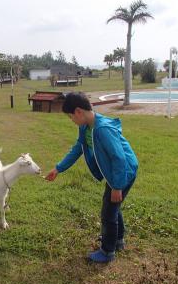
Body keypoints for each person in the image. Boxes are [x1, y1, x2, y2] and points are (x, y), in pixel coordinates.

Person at [45, 92, 138, 263]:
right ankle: (118, 241)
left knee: (108, 212)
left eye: (71, 116)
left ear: (79, 111)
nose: (71, 120)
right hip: (114, 173)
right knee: (112, 207)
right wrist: (58, 168)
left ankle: (107, 251)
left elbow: (119, 158)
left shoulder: (102, 130)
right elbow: (78, 148)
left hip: (124, 171)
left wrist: (117, 186)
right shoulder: (85, 127)